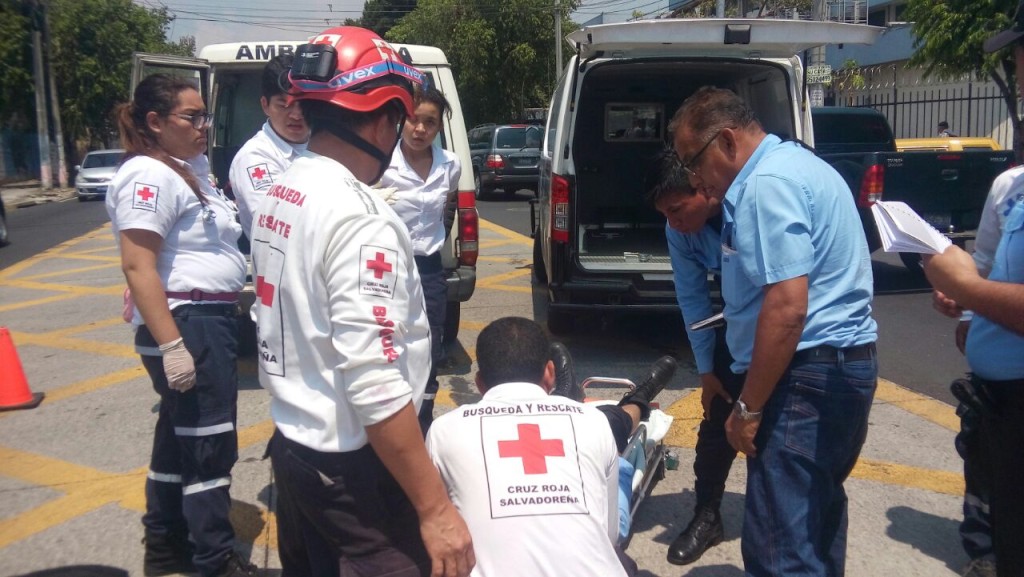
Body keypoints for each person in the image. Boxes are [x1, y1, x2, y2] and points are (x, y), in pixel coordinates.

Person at [248, 27, 474, 577]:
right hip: (353, 466)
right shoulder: (358, 217)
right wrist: (436, 508)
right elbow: (373, 383)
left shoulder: (284, 189)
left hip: (297, 446)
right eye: (399, 122)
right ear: (382, 119)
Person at [671, 86, 878, 576]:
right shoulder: (806, 166)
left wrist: (749, 407)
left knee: (780, 549)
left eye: (693, 162)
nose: (694, 178)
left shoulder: (764, 184)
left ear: (725, 141)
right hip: (847, 367)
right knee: (815, 524)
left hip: (804, 379)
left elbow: (786, 308)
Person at [106, 74, 254, 577]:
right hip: (187, 324)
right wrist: (173, 346)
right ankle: (214, 560)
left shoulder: (187, 169)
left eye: (203, 116)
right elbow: (138, 265)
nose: (203, 127)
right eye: (191, 117)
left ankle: (166, 547)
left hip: (204, 316)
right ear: (154, 122)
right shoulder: (149, 176)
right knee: (210, 444)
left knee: (178, 441)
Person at [427, 317, 662, 577]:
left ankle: (621, 399)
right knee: (617, 460)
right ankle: (637, 401)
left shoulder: (445, 431)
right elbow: (610, 534)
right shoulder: (592, 422)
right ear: (549, 372)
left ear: (480, 383)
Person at [922, 11, 1024, 577]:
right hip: (999, 405)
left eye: (1017, 56)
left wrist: (967, 287)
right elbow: (990, 277)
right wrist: (966, 300)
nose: (1015, 72)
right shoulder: (1012, 185)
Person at [642, 150, 744, 566]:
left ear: (705, 191)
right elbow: (693, 299)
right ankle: (707, 515)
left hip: (784, 323)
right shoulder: (681, 231)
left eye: (678, 209)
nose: (673, 222)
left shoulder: (750, 208)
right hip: (735, 318)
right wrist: (706, 370)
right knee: (716, 421)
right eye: (665, 214)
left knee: (774, 426)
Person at [378, 86, 462, 432]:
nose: (419, 129)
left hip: (428, 270)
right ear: (402, 120)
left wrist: (436, 237)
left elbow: (448, 209)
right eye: (413, 119)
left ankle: (424, 420)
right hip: (388, 269)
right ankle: (389, 421)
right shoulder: (382, 162)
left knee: (429, 345)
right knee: (389, 342)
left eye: (429, 122)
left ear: (439, 128)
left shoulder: (450, 165)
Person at [228, 54, 310, 239]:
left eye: (304, 105)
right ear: (265, 105)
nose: (296, 115)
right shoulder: (255, 157)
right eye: (284, 105)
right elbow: (274, 220)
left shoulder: (324, 144)